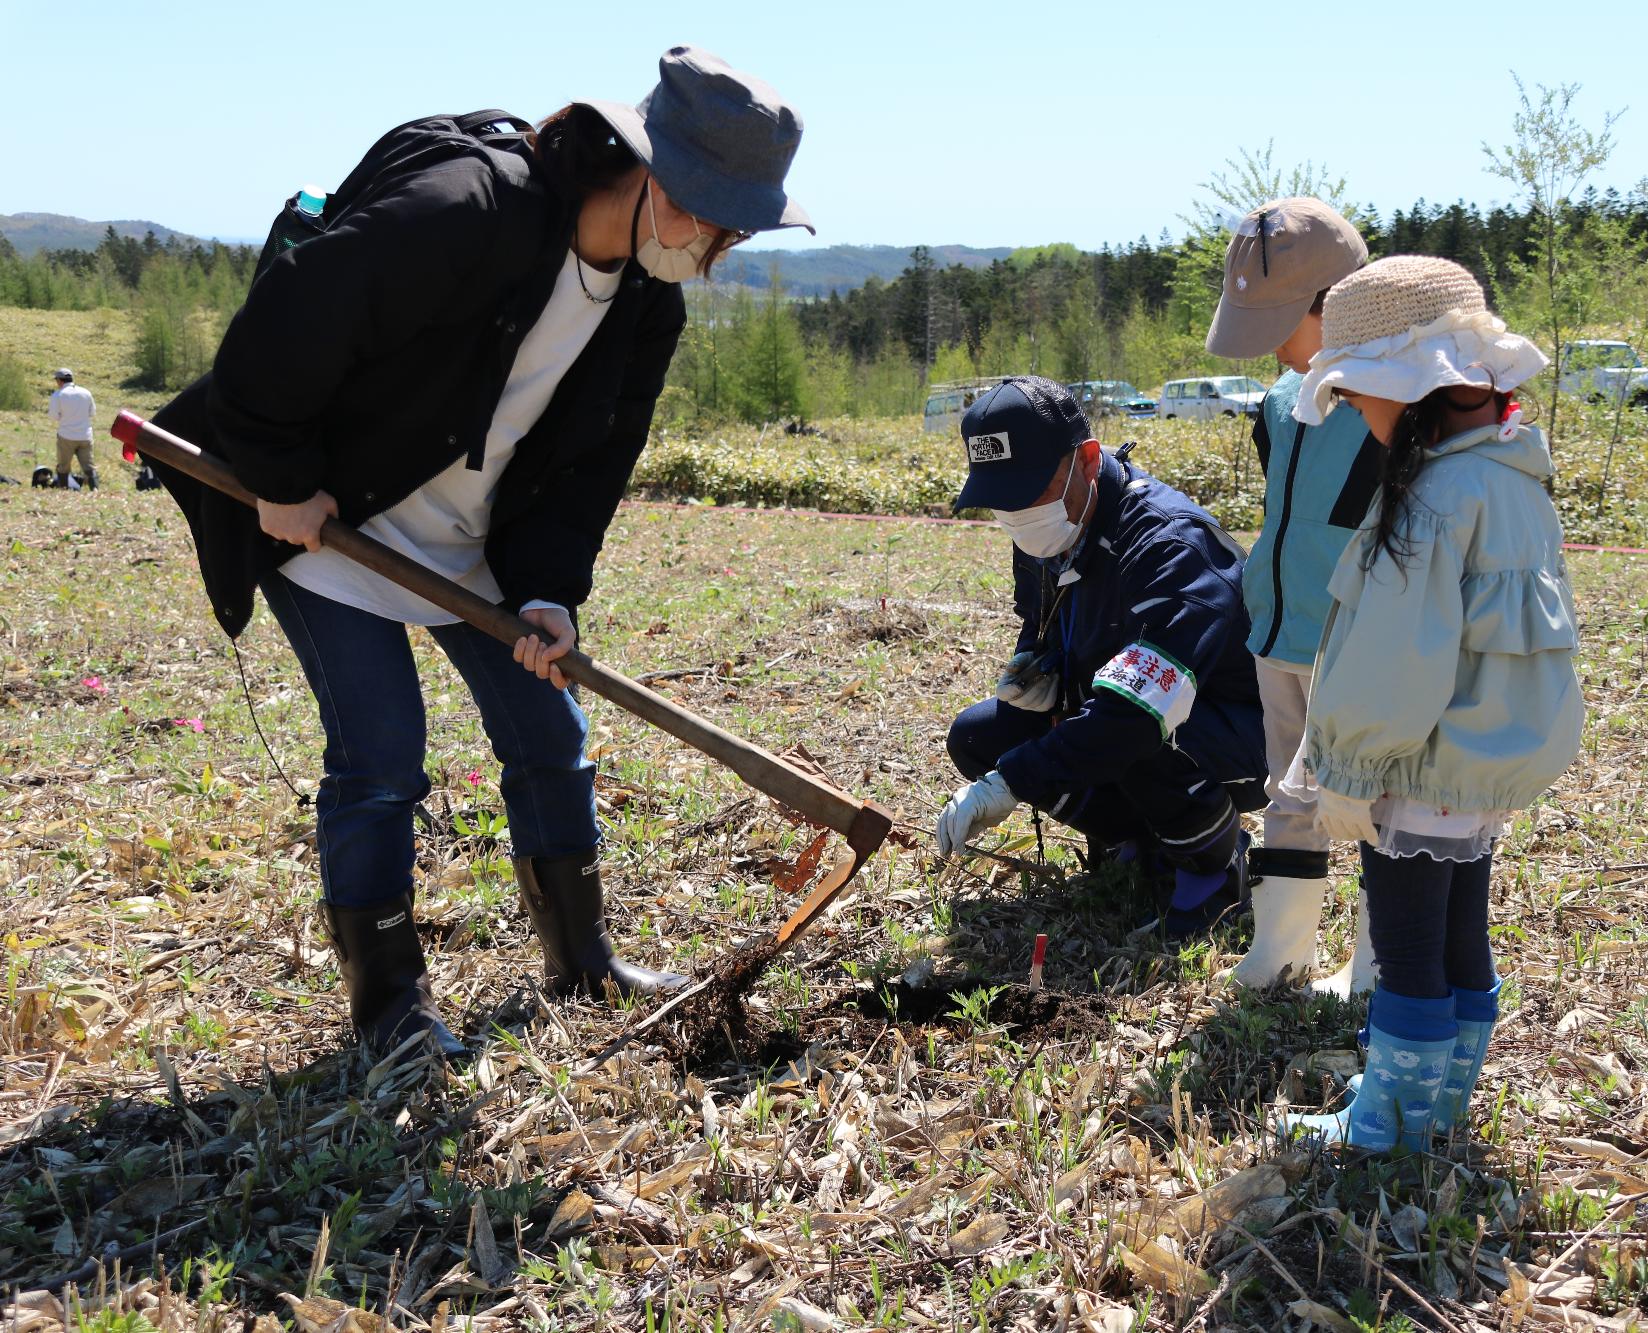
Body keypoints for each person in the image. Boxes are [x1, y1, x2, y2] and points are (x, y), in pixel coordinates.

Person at [150, 46, 811, 1058]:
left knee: (551, 735)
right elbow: (285, 320)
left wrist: (548, 590)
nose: (718, 248)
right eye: (715, 220)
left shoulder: (645, 300)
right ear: (654, 179)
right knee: (380, 757)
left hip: (470, 548)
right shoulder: (468, 209)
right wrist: (280, 476)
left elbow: (591, 464)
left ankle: (583, 961)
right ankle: (391, 1009)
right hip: (334, 520)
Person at [1279, 256, 1583, 1151]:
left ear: (1411, 392)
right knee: (1460, 932)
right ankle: (1441, 1103)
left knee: (1406, 944)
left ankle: (1388, 1128)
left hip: (1416, 761)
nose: (1357, 414)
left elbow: (1389, 662)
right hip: (1481, 758)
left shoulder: (1428, 501)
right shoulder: (1513, 477)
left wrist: (1347, 769)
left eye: (1361, 393)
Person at [935, 376, 1265, 939]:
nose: (1016, 516)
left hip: (1242, 731)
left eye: (1030, 490)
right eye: (1000, 500)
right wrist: (1030, 673)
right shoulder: (1049, 530)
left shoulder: (1169, 544)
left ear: (1088, 460)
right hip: (1123, 702)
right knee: (982, 736)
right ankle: (1144, 836)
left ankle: (1213, 865)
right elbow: (1040, 623)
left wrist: (1013, 780)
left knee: (1135, 731)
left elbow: (1139, 710)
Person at [1203, 198, 1380, 993]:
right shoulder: (1278, 403)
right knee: (1289, 790)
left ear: (1335, 303)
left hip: (1357, 643)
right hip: (1278, 633)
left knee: (1378, 802)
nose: (1272, 343)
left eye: (1283, 321)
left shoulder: (1392, 406)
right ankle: (1281, 948)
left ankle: (1377, 963)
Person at [47, 368, 96, 490]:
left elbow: (54, 416)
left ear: (59, 380)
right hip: (85, 436)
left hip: (66, 436)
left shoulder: (58, 395)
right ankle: (95, 489)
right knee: (89, 466)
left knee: (63, 466)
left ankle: (64, 489)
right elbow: (92, 413)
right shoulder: (86, 392)